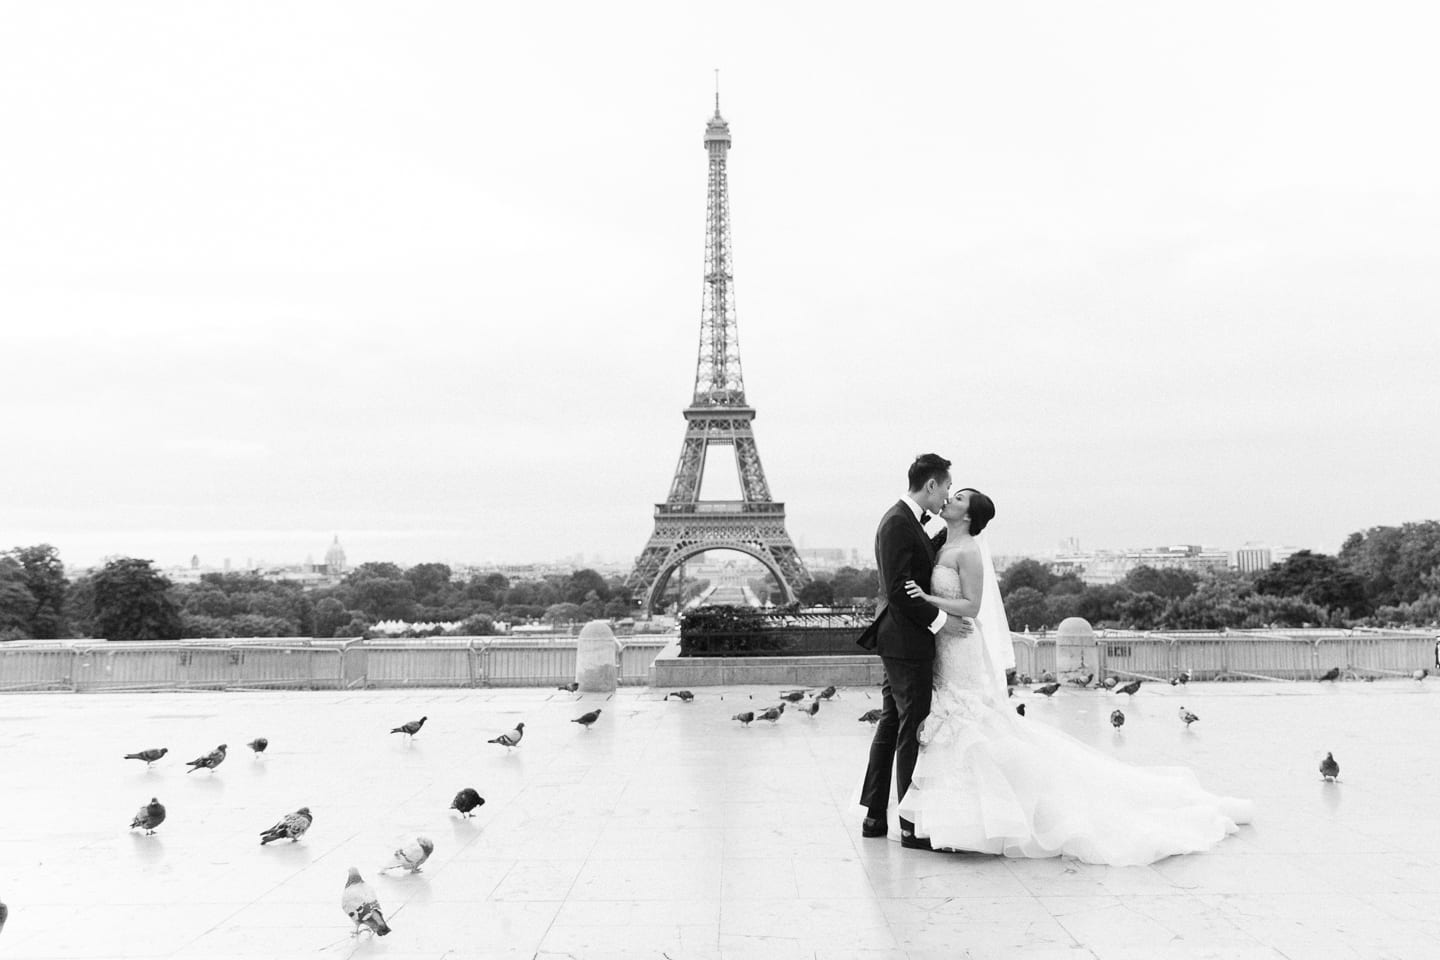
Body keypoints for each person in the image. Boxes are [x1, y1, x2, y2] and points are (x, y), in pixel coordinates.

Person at [896, 488, 1255, 865]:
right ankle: (956, 819)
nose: (950, 499)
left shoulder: (968, 549)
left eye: (959, 499)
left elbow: (971, 604)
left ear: (968, 516)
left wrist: (926, 598)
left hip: (962, 645)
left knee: (969, 721)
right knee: (958, 723)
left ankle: (981, 822)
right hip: (945, 647)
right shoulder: (942, 543)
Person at [856, 453, 957, 849]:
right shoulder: (898, 522)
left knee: (891, 725)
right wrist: (941, 621)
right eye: (946, 486)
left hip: (897, 638)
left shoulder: (904, 520)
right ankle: (910, 825)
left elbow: (916, 564)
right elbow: (899, 589)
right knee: (911, 728)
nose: (947, 495)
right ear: (930, 485)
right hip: (906, 640)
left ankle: (875, 815)